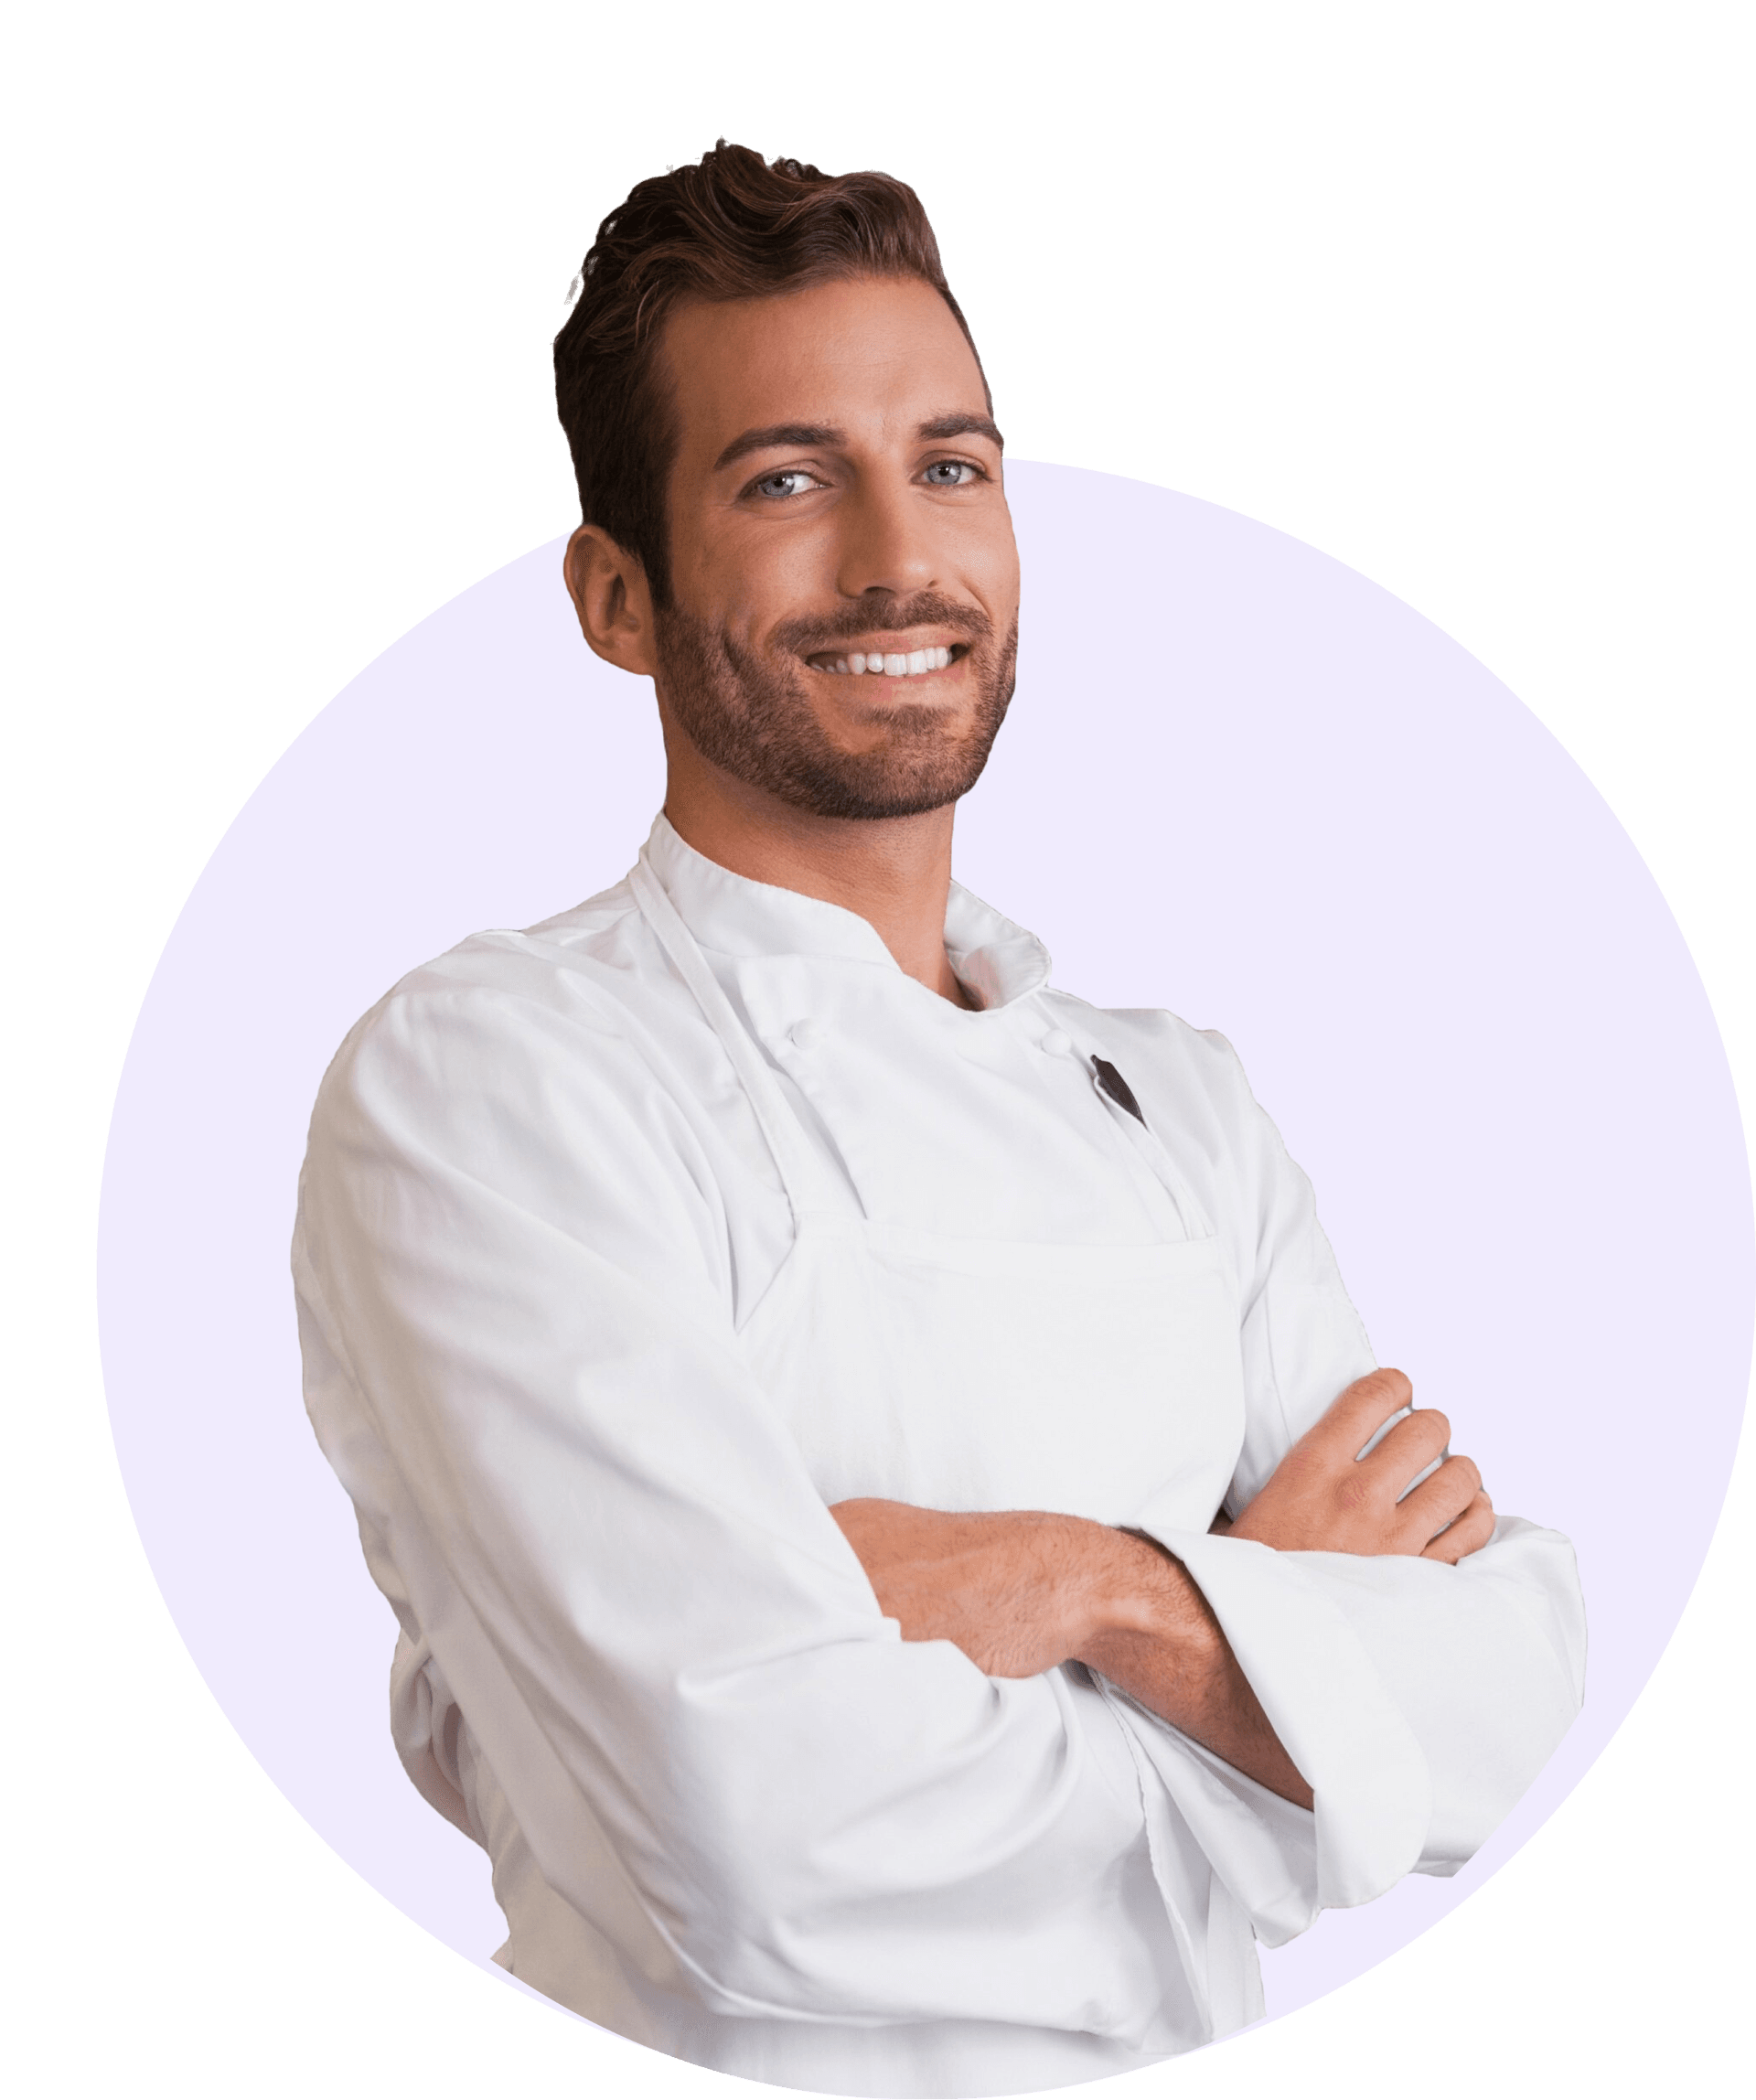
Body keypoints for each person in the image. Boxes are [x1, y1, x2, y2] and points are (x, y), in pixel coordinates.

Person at [294, 142, 1585, 2099]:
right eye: (787, 480)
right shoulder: (492, 1080)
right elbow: (754, 1850)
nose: (900, 555)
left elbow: (1506, 1694)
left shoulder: (1180, 1100)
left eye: (955, 465)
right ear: (618, 598)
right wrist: (1287, 1706)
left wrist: (1084, 1584)